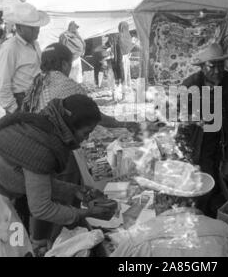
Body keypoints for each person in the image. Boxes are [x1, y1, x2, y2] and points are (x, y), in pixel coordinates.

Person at [0, 95, 118, 257]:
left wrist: (75, 191)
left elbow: (34, 180)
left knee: (13, 244)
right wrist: (84, 213)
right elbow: (41, 208)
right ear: (71, 125)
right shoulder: (42, 146)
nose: (86, 139)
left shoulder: (44, 129)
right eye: (85, 132)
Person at [20, 43, 140, 252]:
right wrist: (123, 122)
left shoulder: (37, 82)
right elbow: (94, 115)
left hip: (36, 147)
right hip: (57, 149)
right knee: (59, 198)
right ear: (66, 63)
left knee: (48, 193)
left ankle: (42, 239)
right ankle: (60, 241)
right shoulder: (66, 84)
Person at [178, 43, 228, 218]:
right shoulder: (191, 84)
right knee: (203, 176)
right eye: (212, 66)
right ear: (203, 67)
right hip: (196, 141)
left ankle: (208, 209)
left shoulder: (227, 79)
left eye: (220, 66)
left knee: (215, 174)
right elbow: (179, 112)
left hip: (220, 138)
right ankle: (199, 214)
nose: (217, 71)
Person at [111, 161, 228, 257]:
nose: (154, 202)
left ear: (165, 199)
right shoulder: (224, 232)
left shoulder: (137, 239)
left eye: (155, 196)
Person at [0, 2, 49, 114]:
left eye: (37, 26)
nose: (37, 30)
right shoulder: (10, 48)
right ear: (19, 28)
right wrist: (15, 110)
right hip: (21, 101)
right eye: (32, 28)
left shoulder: (35, 44)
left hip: (37, 98)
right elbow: (1, 84)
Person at [117, 22, 133, 93]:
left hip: (125, 55)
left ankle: (127, 88)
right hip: (122, 56)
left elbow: (128, 45)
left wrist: (130, 50)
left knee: (126, 72)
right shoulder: (121, 35)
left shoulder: (125, 35)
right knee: (124, 72)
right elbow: (122, 45)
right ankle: (125, 88)